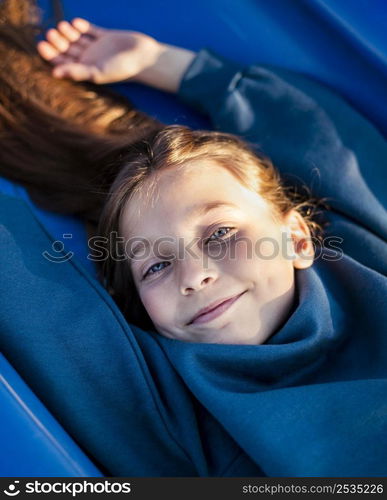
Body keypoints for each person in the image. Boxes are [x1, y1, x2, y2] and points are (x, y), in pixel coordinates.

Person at [3, 10, 387, 476]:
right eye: (156, 267)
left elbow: (326, 138)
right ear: (144, 310)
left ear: (298, 238)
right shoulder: (179, 420)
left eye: (221, 233)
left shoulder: (366, 258)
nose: (195, 275)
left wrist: (162, 63)